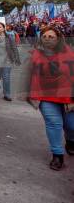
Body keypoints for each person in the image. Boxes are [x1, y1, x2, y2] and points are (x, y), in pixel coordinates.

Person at [28, 26, 74, 171]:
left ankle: (71, 140)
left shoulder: (70, 53)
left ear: (58, 39)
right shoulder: (35, 54)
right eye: (45, 36)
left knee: (71, 126)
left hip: (68, 96)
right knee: (53, 123)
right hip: (46, 96)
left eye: (51, 37)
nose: (47, 39)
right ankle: (57, 155)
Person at [0, 22, 20, 101]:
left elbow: (14, 48)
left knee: (6, 78)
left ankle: (7, 94)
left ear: (3, 28)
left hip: (7, 60)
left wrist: (17, 59)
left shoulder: (9, 37)